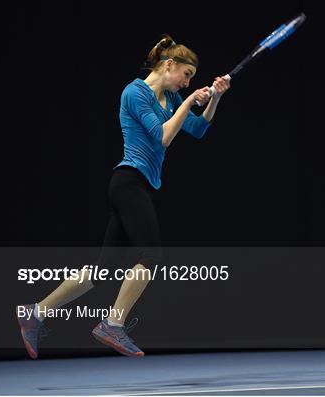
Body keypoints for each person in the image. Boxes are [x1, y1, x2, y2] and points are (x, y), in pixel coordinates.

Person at [16, 34, 230, 358]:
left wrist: (214, 98)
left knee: (102, 271)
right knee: (151, 258)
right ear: (169, 64)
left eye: (192, 81)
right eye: (186, 75)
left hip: (136, 186)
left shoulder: (170, 100)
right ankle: (113, 324)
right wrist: (189, 102)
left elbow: (198, 130)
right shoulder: (135, 93)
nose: (187, 84)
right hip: (128, 183)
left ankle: (36, 312)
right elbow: (162, 138)